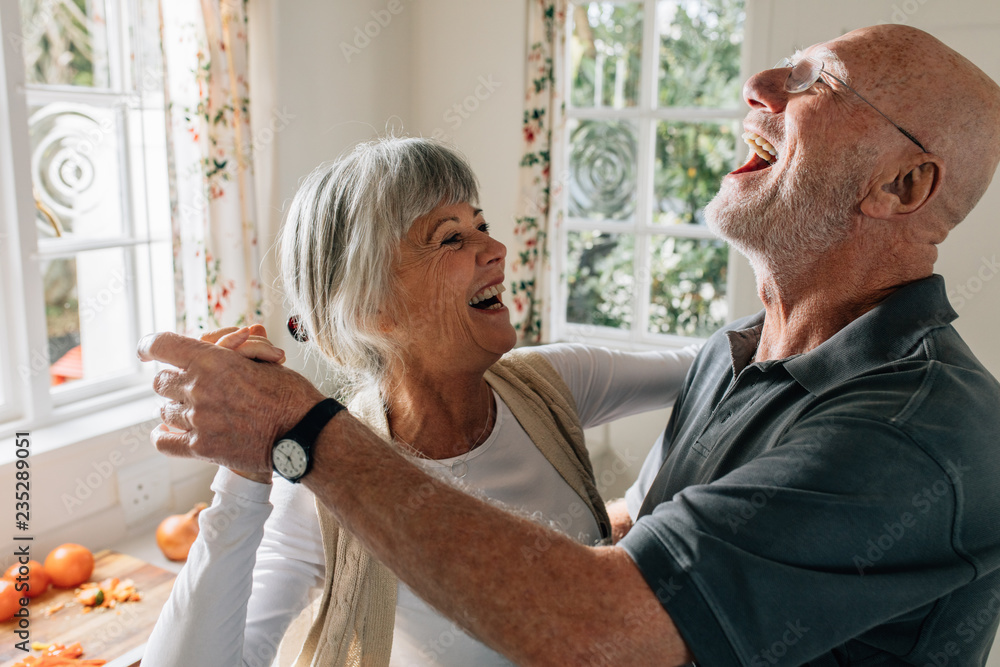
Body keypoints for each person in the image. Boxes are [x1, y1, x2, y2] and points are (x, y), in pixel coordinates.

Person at [140, 24, 1000, 665]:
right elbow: (651, 538)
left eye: (819, 81)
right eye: (448, 236)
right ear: (368, 308)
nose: (760, 81)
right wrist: (257, 466)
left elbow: (606, 620)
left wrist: (301, 435)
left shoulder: (916, 432)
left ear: (904, 184)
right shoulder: (736, 355)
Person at [141, 137, 697, 666]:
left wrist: (648, 506)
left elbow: (720, 368)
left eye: (482, 225)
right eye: (451, 238)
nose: (498, 250)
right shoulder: (317, 479)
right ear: (369, 308)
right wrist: (242, 475)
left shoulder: (553, 383)